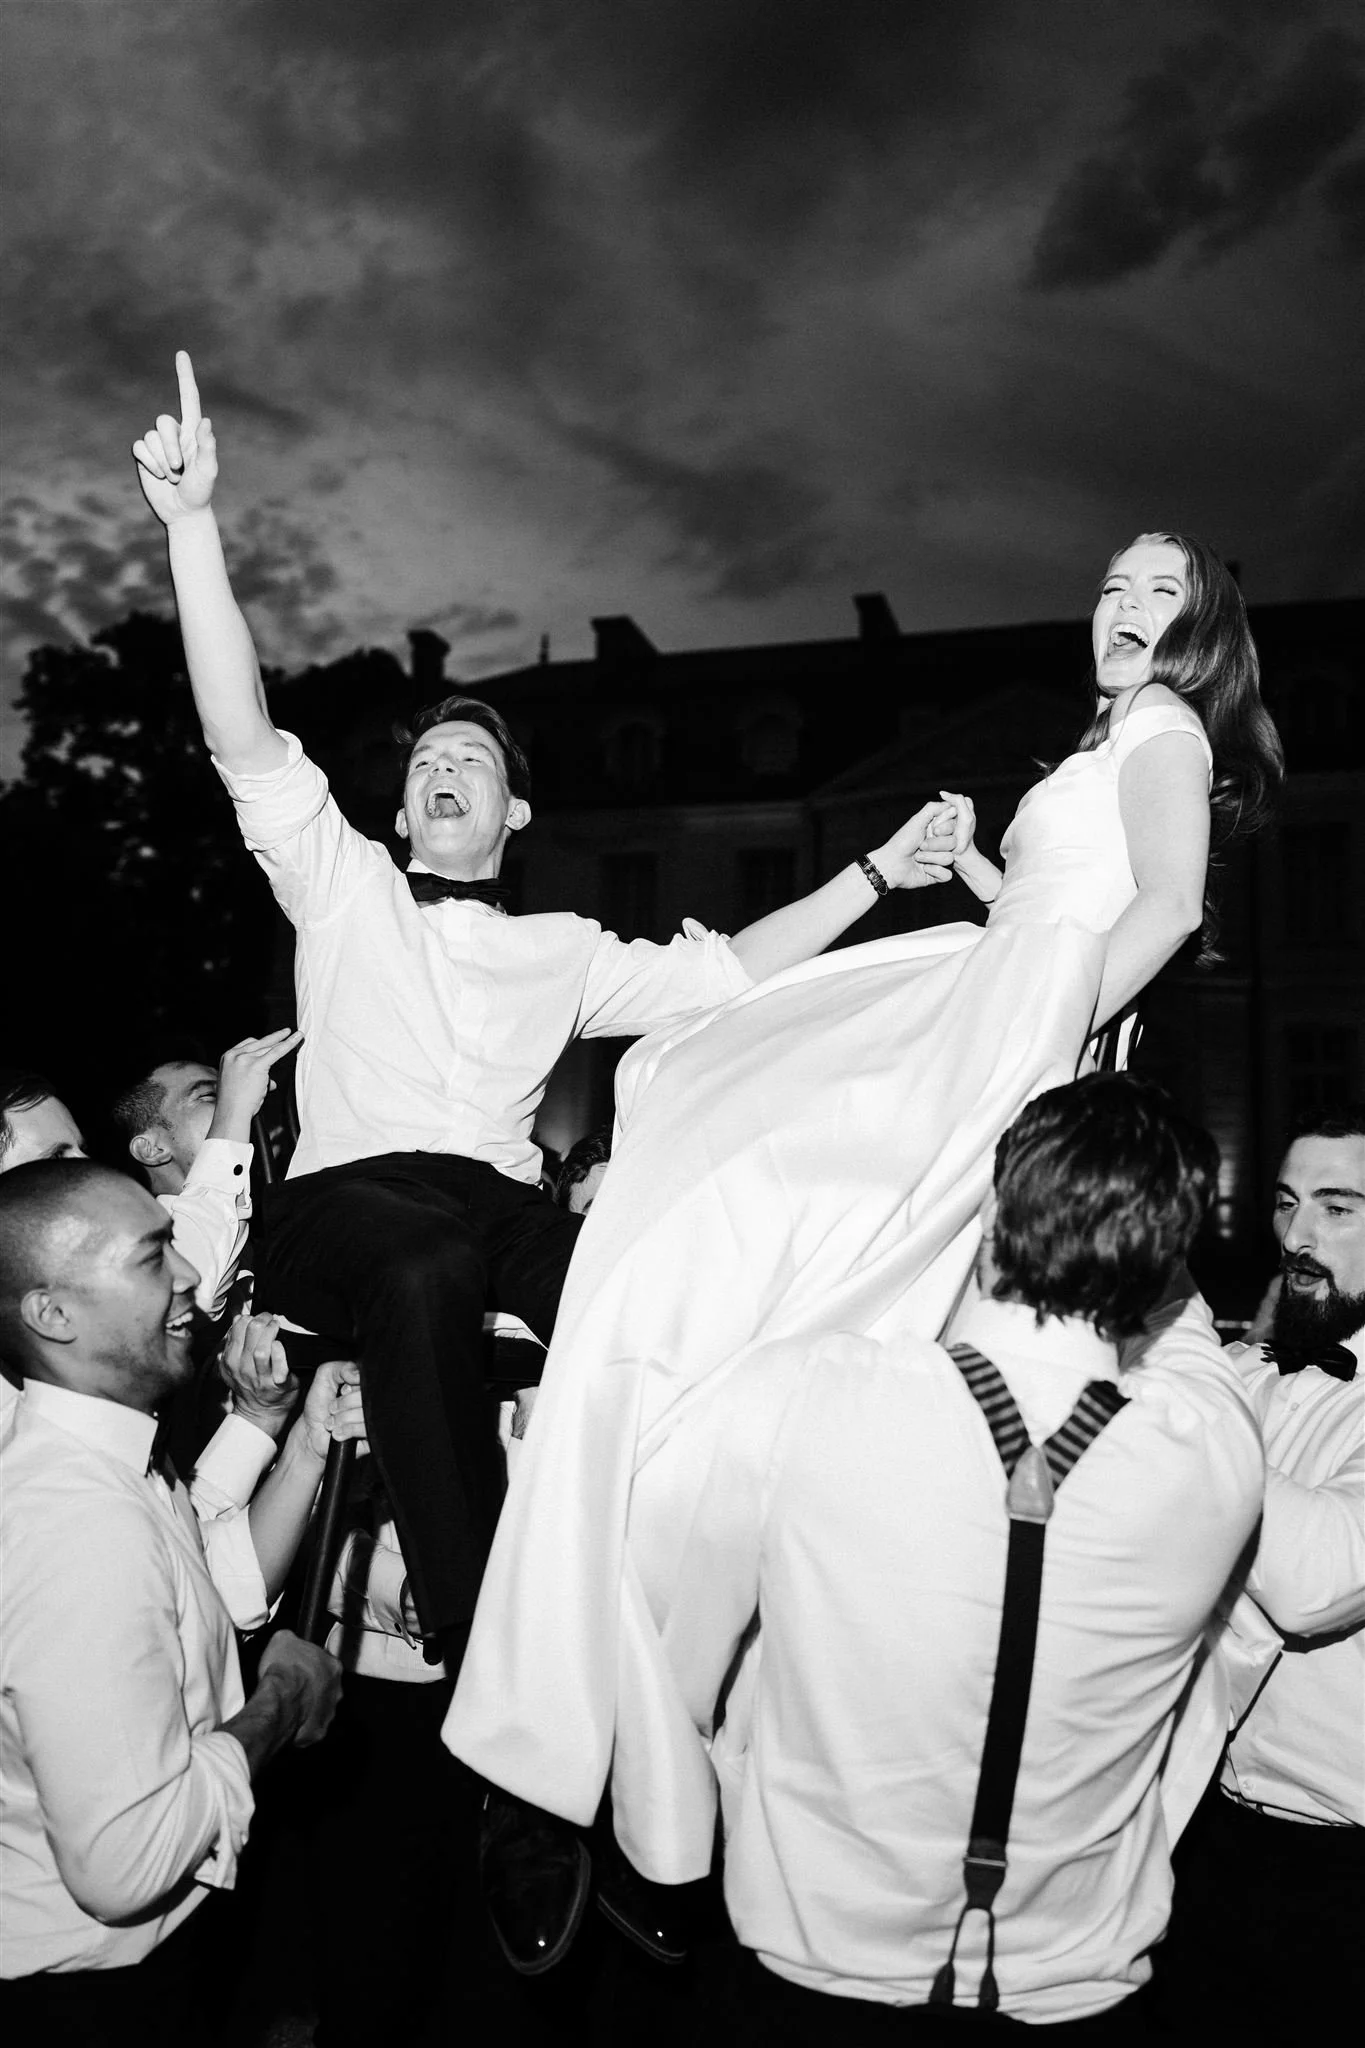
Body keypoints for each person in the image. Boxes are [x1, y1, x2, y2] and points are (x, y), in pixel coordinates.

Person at [447, 528, 1284, 1873]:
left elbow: (1170, 908)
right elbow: (1065, 899)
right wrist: (977, 883)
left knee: (769, 1157)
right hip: (1004, 975)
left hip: (1025, 1007)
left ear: (1201, 630)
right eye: (1109, 584)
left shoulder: (1170, 726)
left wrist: (1051, 1037)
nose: (1122, 606)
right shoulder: (1106, 737)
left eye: (1157, 590)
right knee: (711, 1090)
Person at [603, 1075, 1263, 2039]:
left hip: (811, 1982)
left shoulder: (803, 1393)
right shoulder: (1215, 1454)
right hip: (1083, 1995)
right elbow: (1190, 1346)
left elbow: (672, 1669)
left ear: (990, 1218)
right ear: (1166, 1253)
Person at [0, 1159, 342, 2046]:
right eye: (154, 1257)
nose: (190, 1275)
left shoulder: (107, 1458)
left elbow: (198, 1594)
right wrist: (281, 1706)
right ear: (53, 1314)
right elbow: (127, 1860)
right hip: (89, 2003)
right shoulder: (77, 1523)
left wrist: (299, 1434)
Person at [1158, 1103, 1365, 2036]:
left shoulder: (1217, 1388)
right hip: (1199, 1830)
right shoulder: (1242, 1372)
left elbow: (1316, 1585)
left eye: (1336, 1208)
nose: (1296, 1235)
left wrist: (1191, 1384)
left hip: (1337, 1872)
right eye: (1286, 1204)